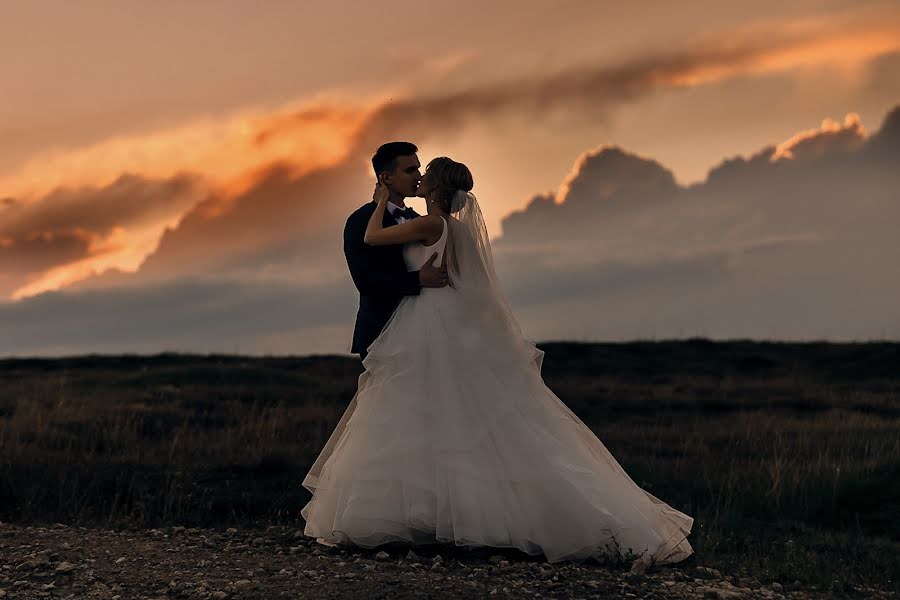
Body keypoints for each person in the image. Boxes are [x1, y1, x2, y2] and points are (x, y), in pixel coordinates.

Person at [301, 155, 694, 566]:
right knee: (451, 414)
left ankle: (431, 517)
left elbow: (373, 239)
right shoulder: (451, 227)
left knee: (417, 411)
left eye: (424, 174)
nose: (418, 179)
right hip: (444, 322)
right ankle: (451, 515)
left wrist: (380, 201)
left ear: (435, 187)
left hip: (430, 324)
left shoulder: (431, 224)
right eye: (412, 171)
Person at [342, 142, 449, 361]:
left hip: (422, 330)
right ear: (387, 178)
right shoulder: (360, 221)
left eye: (418, 169)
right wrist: (417, 278)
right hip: (381, 332)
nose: (418, 176)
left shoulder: (419, 221)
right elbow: (365, 281)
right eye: (410, 170)